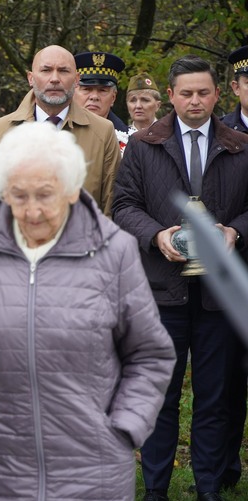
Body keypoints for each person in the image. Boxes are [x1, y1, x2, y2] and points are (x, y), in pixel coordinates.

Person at [0, 121, 175, 500]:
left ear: (72, 190)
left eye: (45, 195)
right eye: (18, 195)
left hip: (93, 473)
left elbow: (150, 355)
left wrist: (124, 428)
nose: (32, 211)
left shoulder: (115, 252)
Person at [112, 54, 248, 501]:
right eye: (186, 93)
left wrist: (235, 231)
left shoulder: (240, 146)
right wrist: (157, 235)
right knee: (160, 397)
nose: (195, 101)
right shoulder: (144, 145)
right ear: (170, 96)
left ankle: (207, 487)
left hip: (218, 295)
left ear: (218, 94)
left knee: (214, 397)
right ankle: (155, 488)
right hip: (160, 292)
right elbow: (123, 206)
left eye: (203, 92)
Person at [0, 45, 121, 215]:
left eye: (63, 71)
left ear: (76, 80)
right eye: (46, 70)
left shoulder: (103, 132)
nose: (54, 79)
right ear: (31, 78)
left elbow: (111, 205)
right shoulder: (2, 129)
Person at [218, 45, 248, 491]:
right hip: (235, 271)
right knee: (228, 377)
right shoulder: (219, 133)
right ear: (237, 86)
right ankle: (225, 465)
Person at [73, 51, 129, 133]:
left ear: (113, 97)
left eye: (102, 90)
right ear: (73, 93)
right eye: (87, 89)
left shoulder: (129, 139)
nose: (94, 97)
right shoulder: (56, 132)